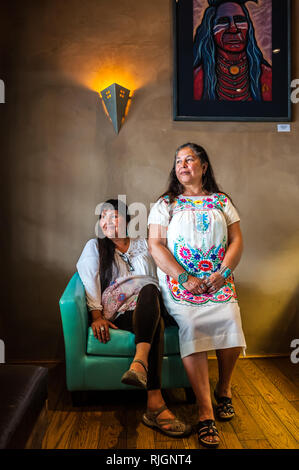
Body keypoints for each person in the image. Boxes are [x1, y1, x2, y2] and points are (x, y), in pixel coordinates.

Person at [148, 143, 246, 448]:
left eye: (189, 159)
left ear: (204, 166)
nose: (182, 164)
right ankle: (206, 413)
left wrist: (224, 273)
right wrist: (184, 277)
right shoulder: (166, 203)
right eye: (178, 160)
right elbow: (155, 245)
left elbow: (237, 239)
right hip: (181, 285)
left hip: (218, 282)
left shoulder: (221, 201)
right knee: (192, 324)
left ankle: (224, 390)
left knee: (230, 317)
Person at [76, 199, 191, 438]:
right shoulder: (95, 247)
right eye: (103, 217)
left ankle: (139, 365)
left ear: (128, 220)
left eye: (114, 216)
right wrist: (96, 316)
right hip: (122, 313)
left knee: (150, 291)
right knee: (154, 318)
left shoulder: (145, 245)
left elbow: (163, 276)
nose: (107, 222)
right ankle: (155, 403)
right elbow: (89, 280)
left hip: (154, 303)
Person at [193, 0, 272, 101]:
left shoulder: (268, 75)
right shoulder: (197, 77)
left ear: (249, 27)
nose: (233, 28)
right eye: (223, 21)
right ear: (210, 29)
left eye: (239, 20)